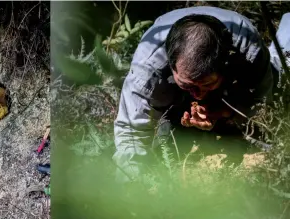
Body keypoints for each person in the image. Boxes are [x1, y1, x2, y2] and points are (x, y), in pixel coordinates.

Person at [113, 6, 290, 181]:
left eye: (206, 83)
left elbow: (261, 108)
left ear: (223, 67)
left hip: (237, 71)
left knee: (281, 72)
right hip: (168, 84)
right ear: (172, 64)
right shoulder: (148, 67)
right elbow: (132, 131)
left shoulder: (250, 52)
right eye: (189, 85)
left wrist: (225, 112)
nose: (197, 95)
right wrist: (131, 182)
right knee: (160, 132)